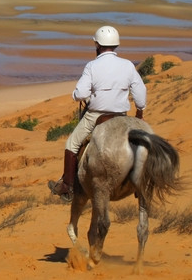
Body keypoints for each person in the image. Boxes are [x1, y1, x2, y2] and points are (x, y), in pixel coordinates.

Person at [48, 25, 146, 202]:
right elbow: (140, 92)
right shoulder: (127, 65)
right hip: (121, 116)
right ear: (115, 45)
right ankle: (141, 183)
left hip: (96, 115)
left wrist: (76, 95)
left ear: (97, 45)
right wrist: (140, 110)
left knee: (71, 143)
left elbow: (82, 94)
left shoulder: (92, 66)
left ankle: (67, 186)